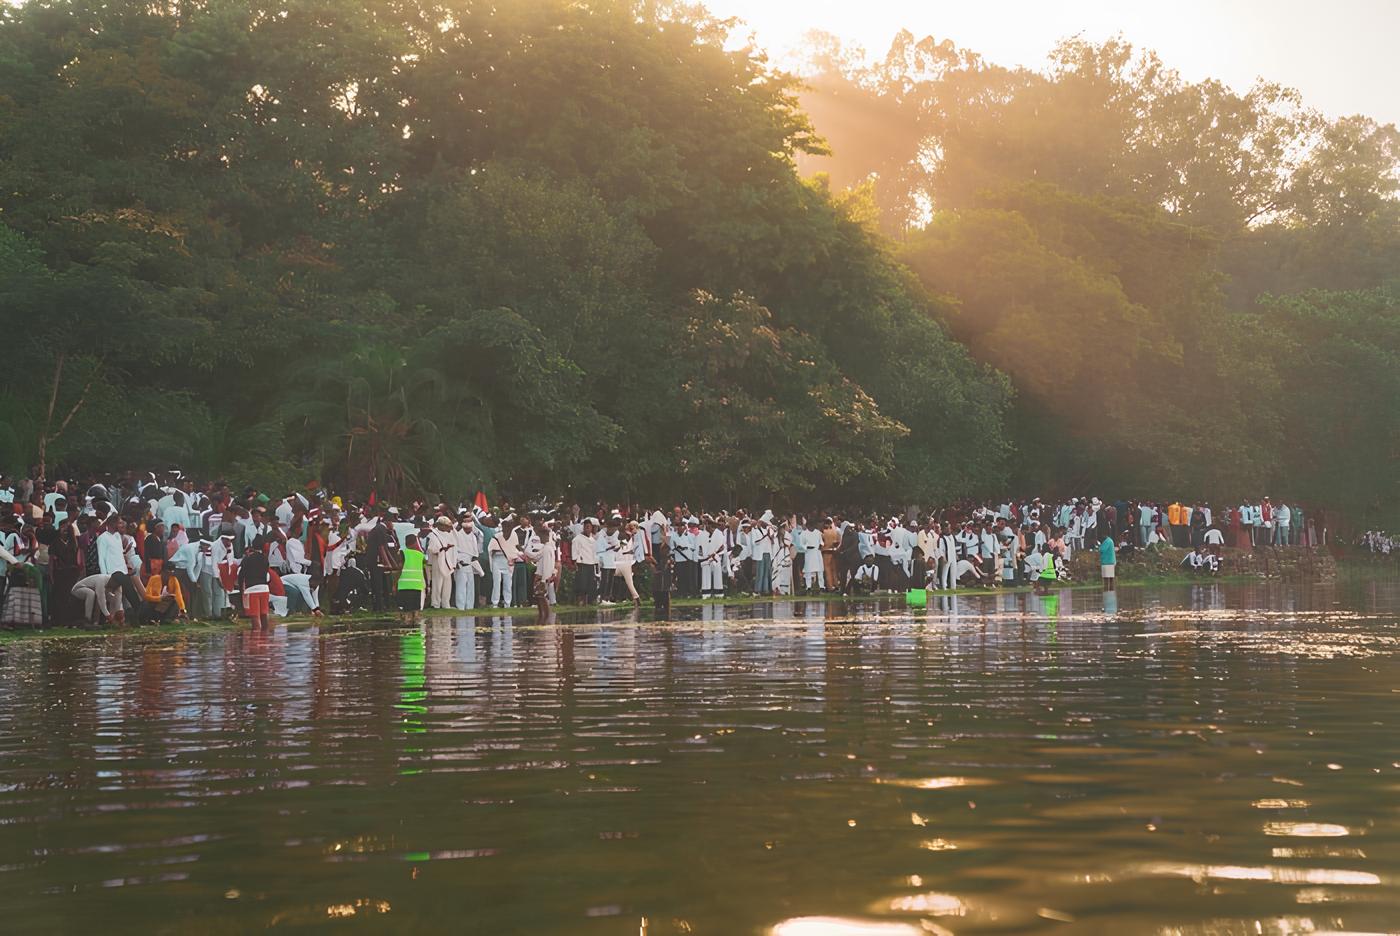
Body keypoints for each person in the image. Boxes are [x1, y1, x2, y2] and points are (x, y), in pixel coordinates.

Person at [238, 538, 272, 630]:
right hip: (264, 589)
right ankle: (265, 638)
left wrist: (241, 590)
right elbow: (268, 576)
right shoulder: (265, 559)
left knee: (255, 616)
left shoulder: (247, 559)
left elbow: (240, 575)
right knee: (264, 614)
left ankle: (256, 639)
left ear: (252, 546)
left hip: (251, 590)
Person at [425, 516, 457, 609]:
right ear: (440, 525)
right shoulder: (433, 535)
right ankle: (435, 604)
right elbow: (431, 549)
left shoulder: (449, 534)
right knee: (437, 583)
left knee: (447, 584)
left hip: (448, 562)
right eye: (446, 526)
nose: (448, 528)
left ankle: (445, 604)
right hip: (437, 561)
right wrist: (442, 549)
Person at [396, 532, 426, 614]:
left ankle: (406, 624)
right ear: (416, 543)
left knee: (405, 610)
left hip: (404, 586)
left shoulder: (403, 553)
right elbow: (424, 569)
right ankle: (416, 625)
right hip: (417, 586)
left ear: (406, 543)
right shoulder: (421, 555)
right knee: (415, 610)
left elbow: (400, 569)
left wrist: (395, 583)